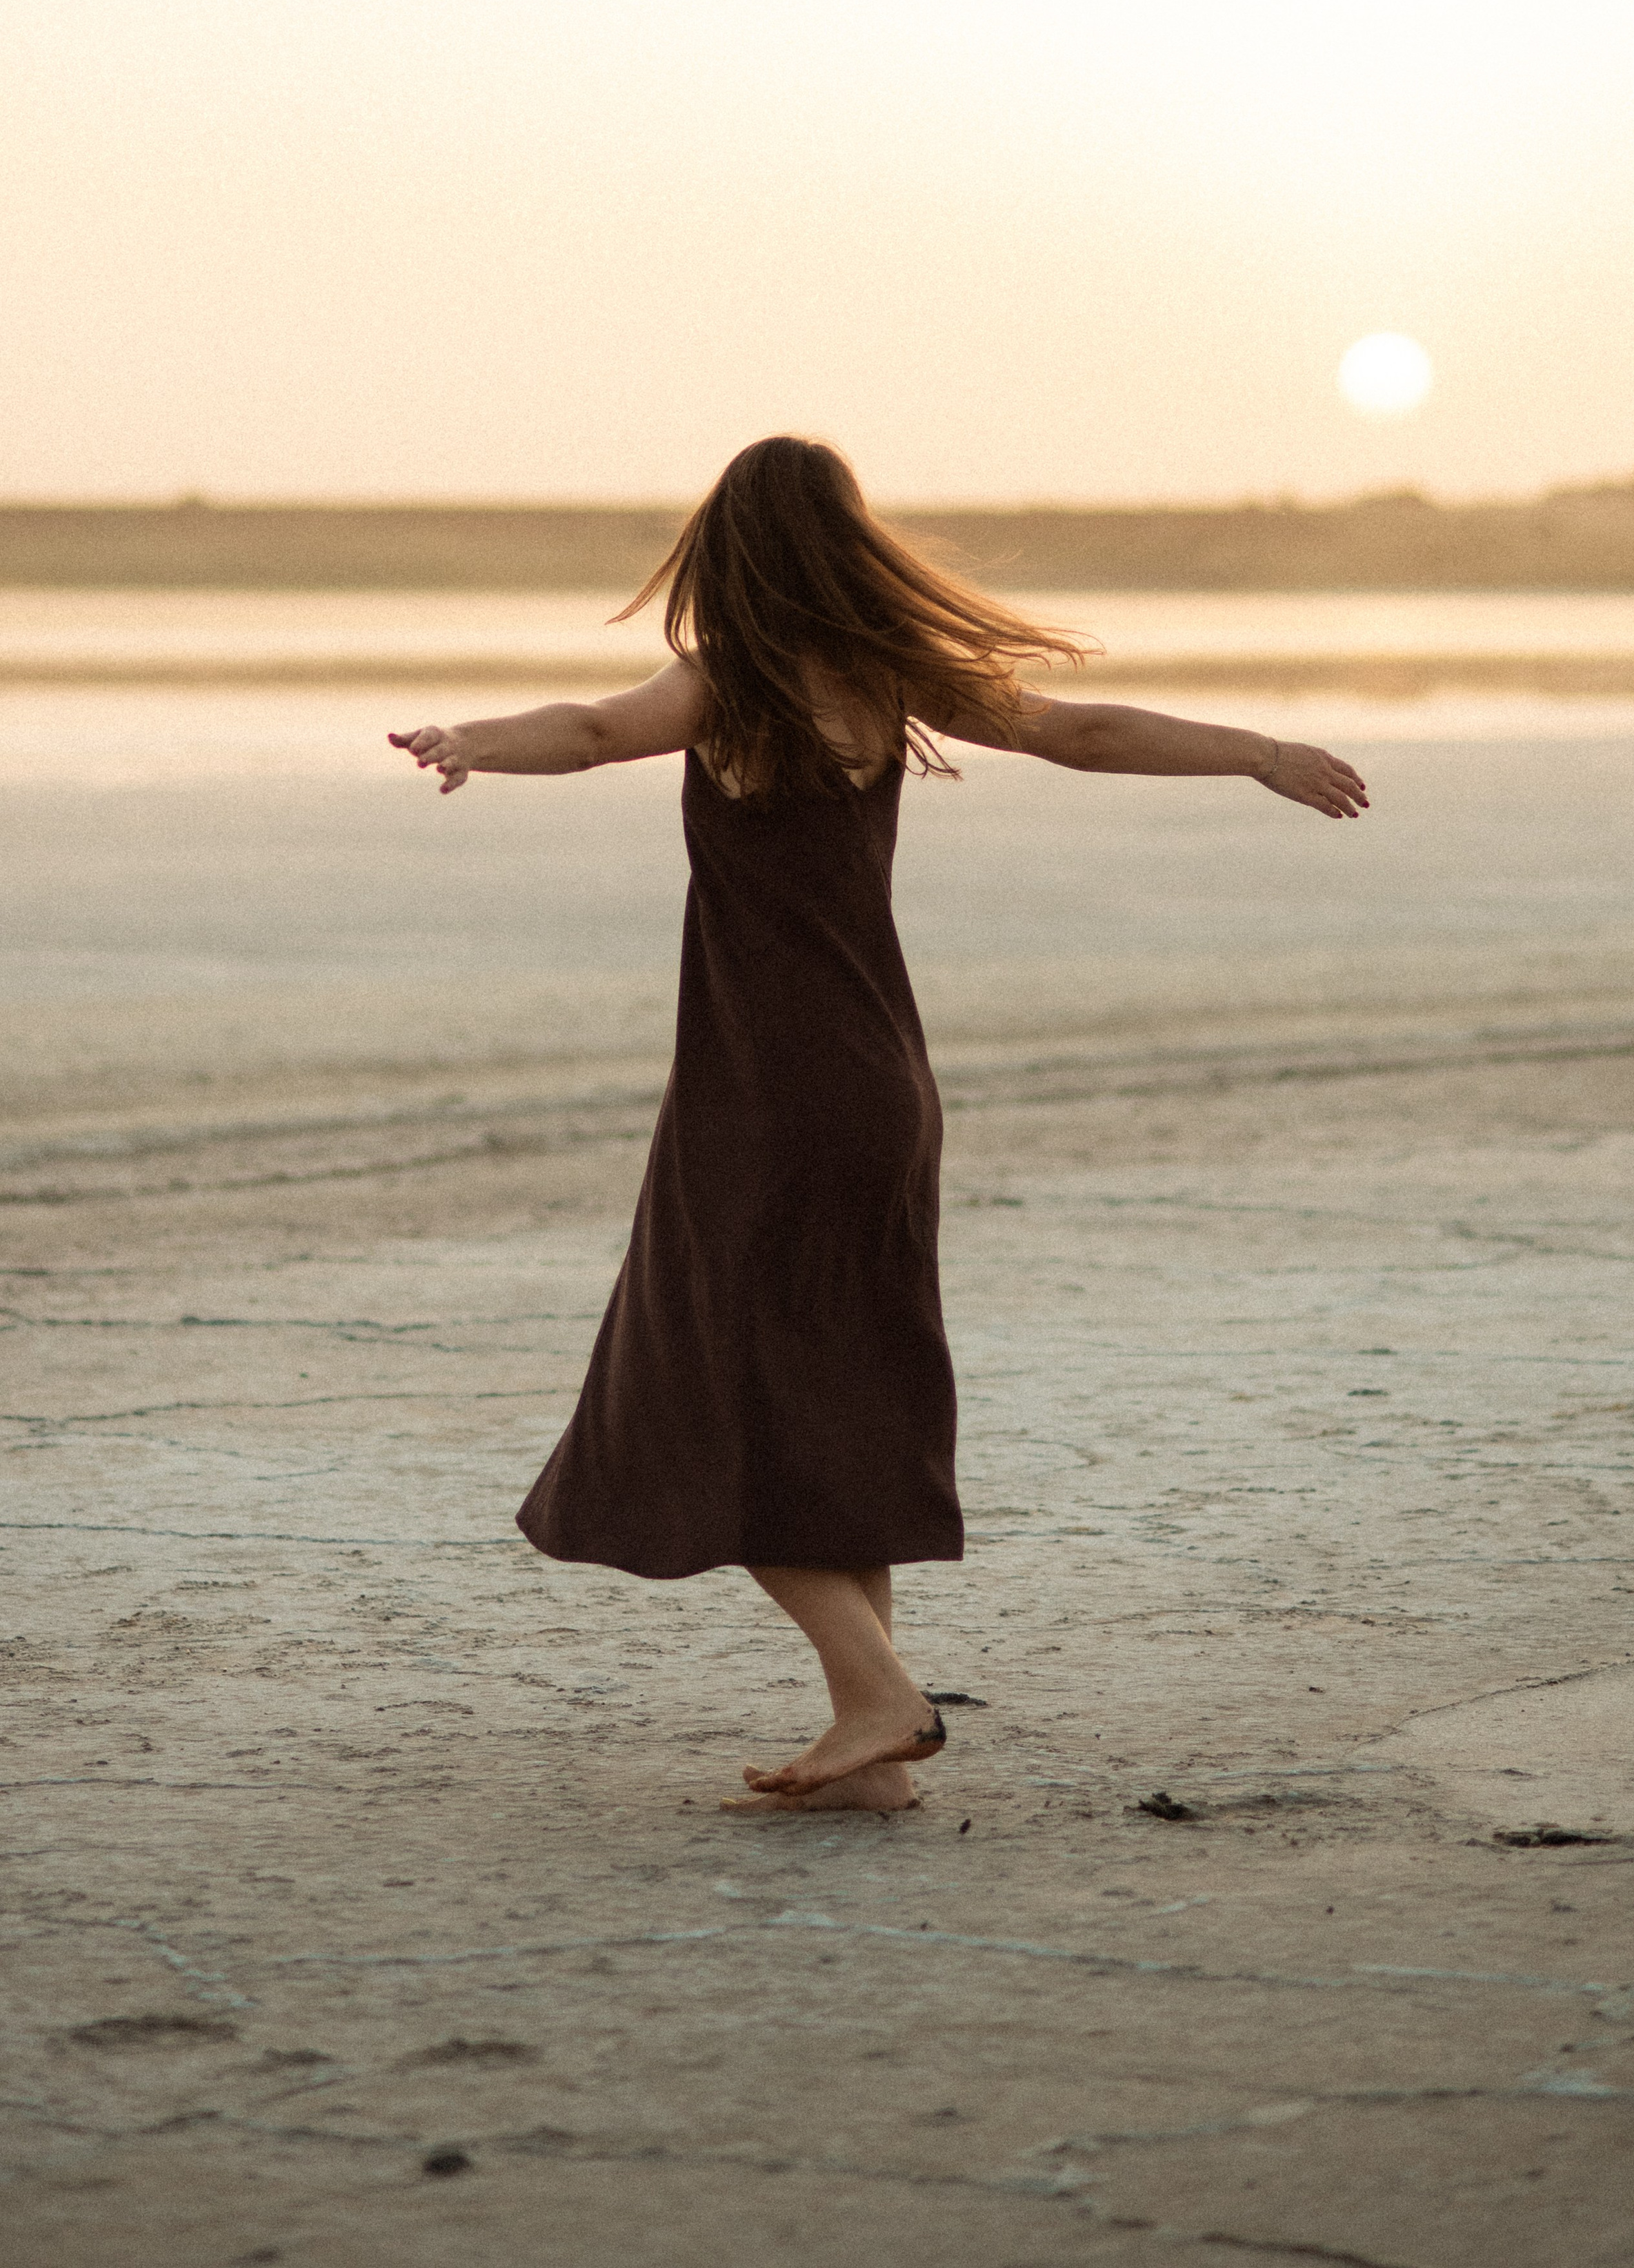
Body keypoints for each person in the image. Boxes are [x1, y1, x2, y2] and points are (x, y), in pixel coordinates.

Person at [390, 436, 1368, 1816]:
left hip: (768, 1091)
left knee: (698, 1395)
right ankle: (869, 1748)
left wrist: (470, 742)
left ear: (722, 551)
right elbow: (1079, 732)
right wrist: (1255, 751)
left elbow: (600, 728)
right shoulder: (884, 677)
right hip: (883, 1087)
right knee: (842, 1392)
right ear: (845, 544)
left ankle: (880, 1694)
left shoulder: (729, 680)